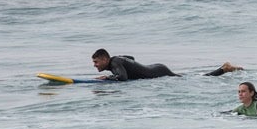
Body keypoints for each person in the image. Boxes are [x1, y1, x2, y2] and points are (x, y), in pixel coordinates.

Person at [91, 49, 242, 81]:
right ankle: (223, 68)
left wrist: (107, 78)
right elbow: (131, 58)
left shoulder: (115, 62)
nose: (95, 65)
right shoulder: (117, 59)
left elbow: (122, 78)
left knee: (192, 79)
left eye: (96, 62)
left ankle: (223, 69)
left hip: (158, 72)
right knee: (187, 78)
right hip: (156, 67)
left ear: (105, 59)